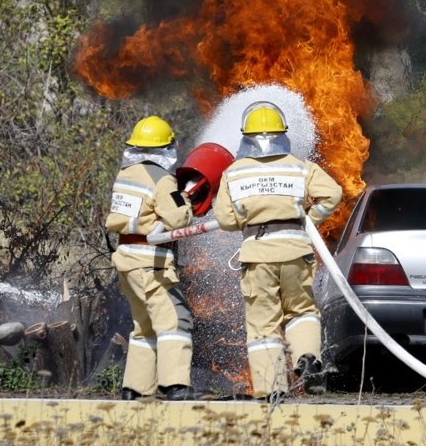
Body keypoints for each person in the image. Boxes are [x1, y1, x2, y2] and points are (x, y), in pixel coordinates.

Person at [213, 101, 343, 402]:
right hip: (296, 250)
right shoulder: (298, 166)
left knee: (263, 324)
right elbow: (332, 194)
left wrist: (247, 220)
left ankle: (272, 387)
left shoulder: (234, 173)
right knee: (302, 310)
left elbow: (225, 220)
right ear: (282, 134)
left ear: (246, 136)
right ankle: (308, 358)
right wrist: (311, 219)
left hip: (258, 255)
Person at [105, 116, 200, 401]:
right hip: (152, 262)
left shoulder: (126, 176)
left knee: (143, 326)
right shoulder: (161, 179)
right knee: (175, 319)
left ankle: (135, 387)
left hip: (126, 259)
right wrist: (186, 199)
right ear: (166, 148)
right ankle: (174, 385)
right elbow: (178, 218)